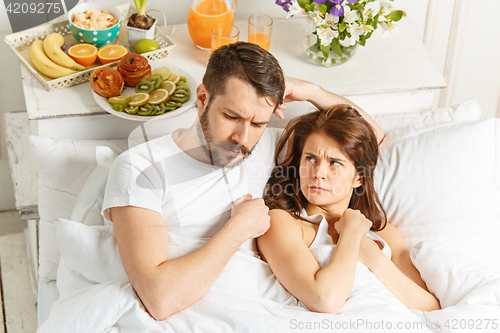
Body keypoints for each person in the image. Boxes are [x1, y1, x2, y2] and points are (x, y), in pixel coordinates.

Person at [101, 42, 385, 321]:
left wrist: (308, 90)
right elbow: (159, 298)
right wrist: (238, 228)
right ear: (202, 99)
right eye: (231, 116)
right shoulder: (140, 168)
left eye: (258, 123)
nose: (242, 137)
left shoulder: (255, 148)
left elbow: (370, 136)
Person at [257, 105, 441, 314]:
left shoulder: (384, 232)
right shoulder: (280, 222)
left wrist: (373, 256)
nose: (318, 173)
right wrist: (351, 234)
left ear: (359, 178)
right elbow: (323, 300)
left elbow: (430, 307)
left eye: (334, 162)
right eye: (310, 158)